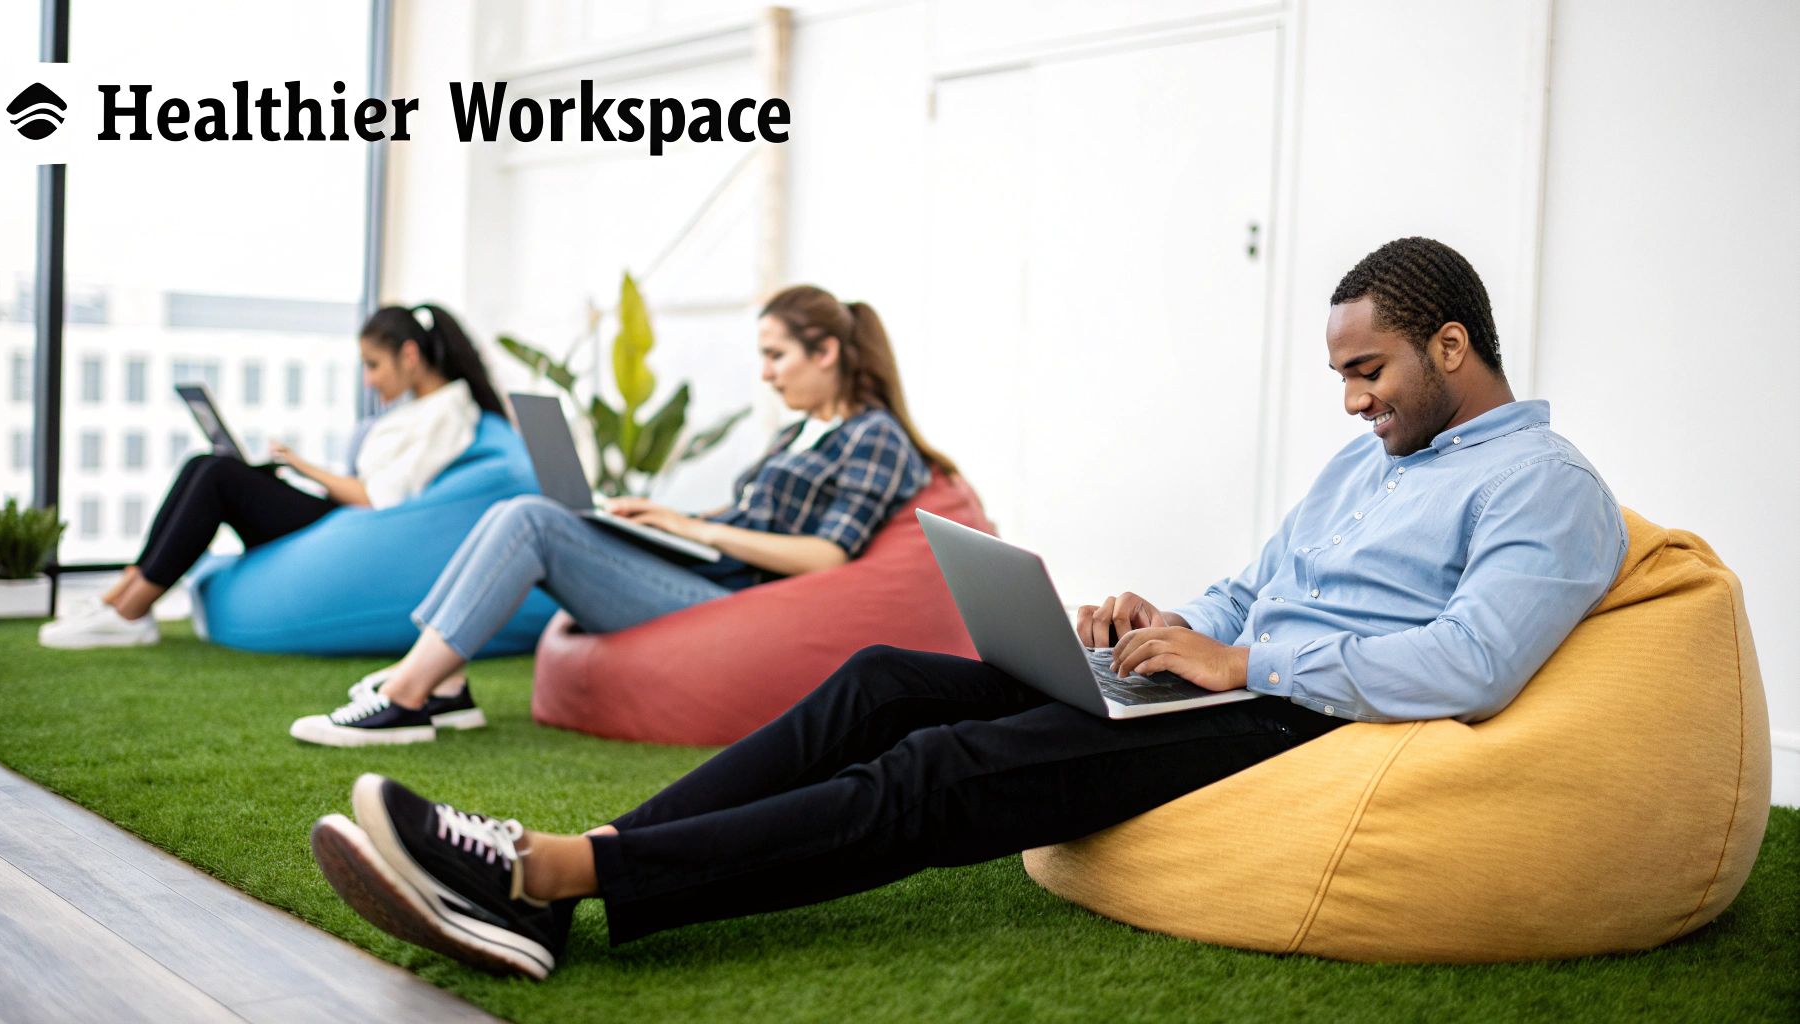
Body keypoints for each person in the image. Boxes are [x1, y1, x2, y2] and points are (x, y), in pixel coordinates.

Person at [308, 238, 1628, 980]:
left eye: (1371, 371)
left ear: (1454, 343)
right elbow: (1259, 578)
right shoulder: (1369, 461)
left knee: (947, 769)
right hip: (1229, 676)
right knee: (886, 674)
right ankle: (579, 860)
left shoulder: (1545, 485)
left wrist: (1240, 655)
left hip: (1301, 718)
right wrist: (1159, 621)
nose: (1352, 401)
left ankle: (551, 876)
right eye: (1341, 375)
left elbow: (1476, 663)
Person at [289, 284, 955, 746]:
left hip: (735, 601)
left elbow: (829, 556)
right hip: (713, 573)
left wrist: (700, 530)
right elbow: (749, 515)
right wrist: (662, 517)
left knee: (530, 520)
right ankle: (447, 683)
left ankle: (407, 698)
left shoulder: (875, 437)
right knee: (530, 510)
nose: (766, 375)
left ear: (827, 353)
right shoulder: (799, 433)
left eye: (775, 356)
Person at [38, 304, 505, 651]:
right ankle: (118, 597)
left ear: (409, 354)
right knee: (204, 464)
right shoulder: (420, 408)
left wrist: (301, 465)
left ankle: (133, 612)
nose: (368, 380)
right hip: (338, 517)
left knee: (220, 475)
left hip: (349, 523)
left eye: (373, 365)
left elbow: (378, 497)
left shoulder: (449, 411)